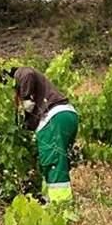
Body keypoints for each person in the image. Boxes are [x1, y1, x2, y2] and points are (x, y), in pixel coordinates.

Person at [6, 66, 78, 209]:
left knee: (53, 161)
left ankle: (61, 205)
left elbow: (27, 73)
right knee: (49, 160)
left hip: (53, 118)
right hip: (64, 116)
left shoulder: (20, 73)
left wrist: (26, 99)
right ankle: (52, 199)